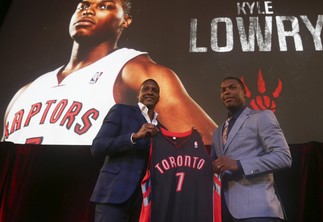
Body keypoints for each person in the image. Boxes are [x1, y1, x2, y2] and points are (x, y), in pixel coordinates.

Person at [2, 0, 216, 145]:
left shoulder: (133, 69)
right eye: (83, 5)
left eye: (104, 5)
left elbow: (205, 139)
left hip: (93, 200)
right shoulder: (27, 91)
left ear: (125, 20)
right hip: (22, 200)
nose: (88, 10)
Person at [211, 77, 292, 222]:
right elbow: (214, 165)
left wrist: (239, 164)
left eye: (232, 87)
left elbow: (283, 157)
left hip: (258, 210)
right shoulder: (217, 132)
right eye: (223, 90)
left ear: (245, 92)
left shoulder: (262, 117)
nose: (227, 92)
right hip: (223, 212)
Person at [90, 79, 160, 222]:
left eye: (154, 90)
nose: (150, 92)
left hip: (144, 202)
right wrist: (134, 137)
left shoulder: (162, 129)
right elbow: (98, 147)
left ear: (159, 97)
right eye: (146, 89)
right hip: (113, 193)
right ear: (138, 94)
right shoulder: (121, 111)